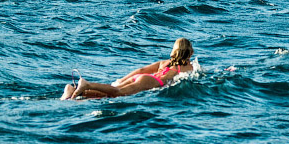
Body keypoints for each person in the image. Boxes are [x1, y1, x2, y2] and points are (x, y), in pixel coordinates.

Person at [61, 38, 194, 100]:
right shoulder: (189, 66)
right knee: (117, 92)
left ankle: (73, 91)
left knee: (109, 93)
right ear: (190, 52)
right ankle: (86, 84)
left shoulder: (165, 62)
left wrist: (121, 80)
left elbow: (141, 70)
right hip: (150, 82)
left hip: (142, 78)